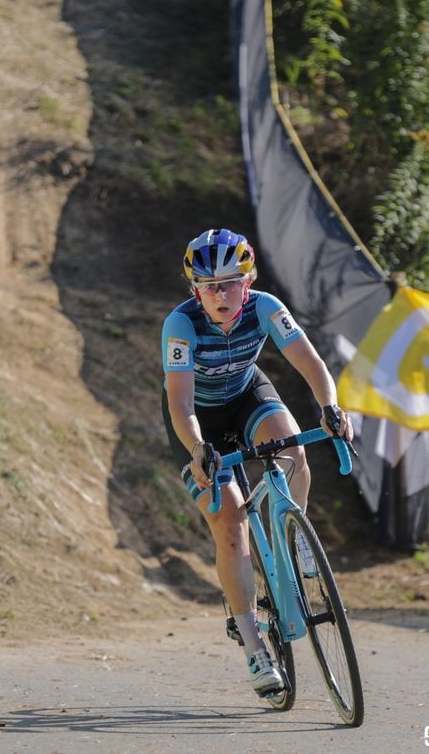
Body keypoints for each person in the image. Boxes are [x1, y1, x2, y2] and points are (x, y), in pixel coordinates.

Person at [159, 227, 353, 696]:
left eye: (230, 283)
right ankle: (254, 648)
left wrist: (329, 406)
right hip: (197, 422)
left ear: (249, 282)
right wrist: (199, 448)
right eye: (209, 286)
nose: (221, 295)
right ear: (195, 290)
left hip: (248, 395)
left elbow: (310, 363)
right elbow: (181, 403)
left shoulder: (266, 307)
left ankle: (297, 539)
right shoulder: (180, 326)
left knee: (293, 448)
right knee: (230, 523)